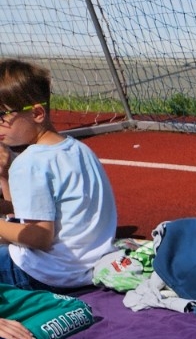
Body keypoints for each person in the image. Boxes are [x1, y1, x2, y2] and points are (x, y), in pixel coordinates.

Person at [0, 59, 118, 294]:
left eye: (2, 115)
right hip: (87, 266)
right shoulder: (78, 149)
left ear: (37, 113)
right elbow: (28, 212)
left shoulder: (29, 162)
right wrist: (4, 178)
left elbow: (40, 236)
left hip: (46, 274)